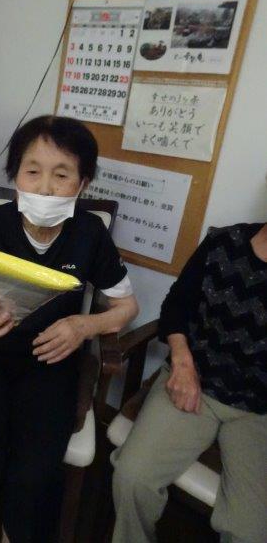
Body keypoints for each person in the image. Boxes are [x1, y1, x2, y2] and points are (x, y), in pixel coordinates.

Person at [0, 115, 139, 543]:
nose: (45, 188)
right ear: (15, 176)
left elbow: (125, 307)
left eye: (61, 175)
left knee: (35, 477)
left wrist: (83, 325)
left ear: (83, 183)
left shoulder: (90, 233)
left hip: (49, 363)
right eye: (32, 171)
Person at [111, 221, 267, 543]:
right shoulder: (223, 242)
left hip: (258, 410)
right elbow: (176, 307)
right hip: (193, 378)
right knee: (133, 478)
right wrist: (182, 364)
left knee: (250, 530)